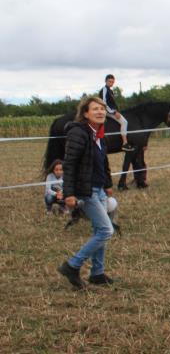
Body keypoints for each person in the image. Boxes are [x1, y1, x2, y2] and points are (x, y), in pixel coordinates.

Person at [57, 96, 116, 289]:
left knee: (99, 230)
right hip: (86, 190)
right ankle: (72, 265)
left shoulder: (98, 134)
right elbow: (70, 164)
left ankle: (97, 273)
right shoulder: (79, 133)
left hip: (98, 188)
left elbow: (102, 162)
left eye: (102, 109)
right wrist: (69, 194)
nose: (100, 112)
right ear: (85, 113)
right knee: (106, 230)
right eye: (95, 109)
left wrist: (107, 183)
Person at [99, 74, 134, 152]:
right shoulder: (105, 89)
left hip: (110, 110)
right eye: (109, 81)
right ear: (105, 81)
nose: (111, 83)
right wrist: (114, 112)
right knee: (124, 122)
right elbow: (104, 103)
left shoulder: (110, 90)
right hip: (106, 111)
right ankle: (125, 143)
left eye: (112, 82)